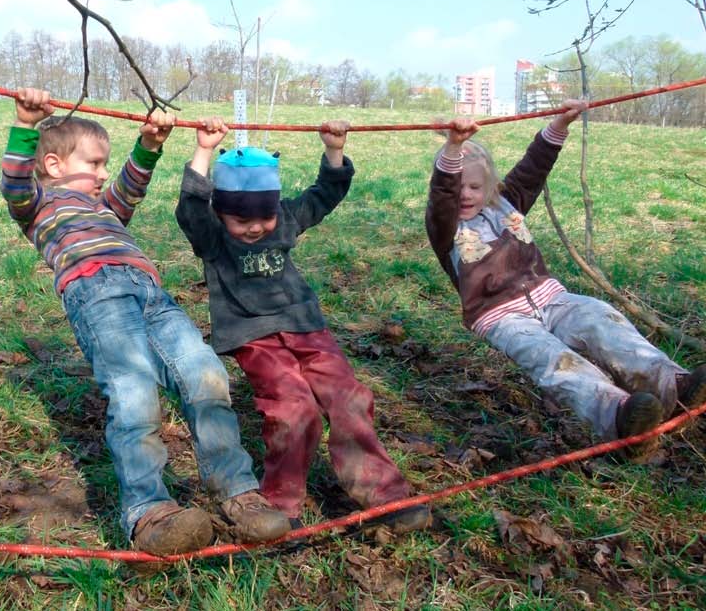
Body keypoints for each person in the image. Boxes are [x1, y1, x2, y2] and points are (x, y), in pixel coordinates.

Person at [0, 91, 292, 556]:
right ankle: (148, 510)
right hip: (98, 294)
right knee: (134, 394)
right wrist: (25, 126)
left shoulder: (105, 208)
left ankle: (237, 491)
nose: (102, 175)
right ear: (54, 165)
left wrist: (150, 144)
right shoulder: (39, 206)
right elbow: (14, 182)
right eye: (94, 164)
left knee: (206, 373)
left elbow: (129, 188)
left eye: (105, 165)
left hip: (150, 291)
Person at [175, 118, 431, 534]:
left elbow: (325, 194)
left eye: (264, 218)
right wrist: (204, 151)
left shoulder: (285, 217)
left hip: (306, 326)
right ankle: (280, 500)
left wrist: (333, 151)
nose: (255, 227)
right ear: (221, 213)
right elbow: (190, 209)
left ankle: (384, 495)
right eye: (242, 221)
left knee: (348, 397)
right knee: (294, 408)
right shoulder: (213, 235)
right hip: (254, 336)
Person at [425, 102, 706, 458]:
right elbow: (441, 196)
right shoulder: (446, 227)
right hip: (502, 318)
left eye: (475, 186)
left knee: (601, 319)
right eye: (459, 187)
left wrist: (560, 124)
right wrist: (452, 148)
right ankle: (618, 415)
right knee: (555, 361)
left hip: (552, 298)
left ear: (491, 187)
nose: (465, 194)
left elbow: (533, 168)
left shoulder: (507, 203)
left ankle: (673, 385)